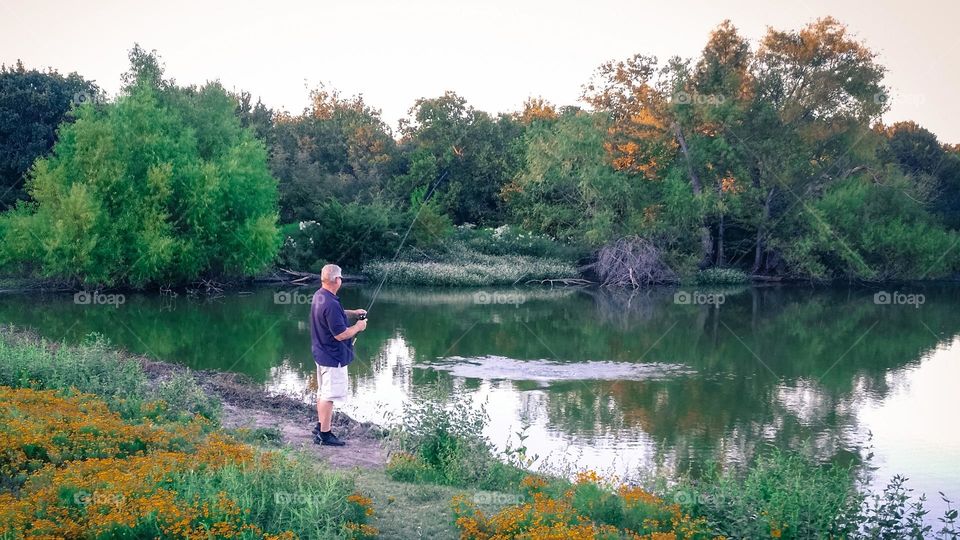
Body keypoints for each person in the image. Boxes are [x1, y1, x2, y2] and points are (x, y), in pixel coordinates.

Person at [310, 264, 367, 446]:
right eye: (341, 277)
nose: (341, 280)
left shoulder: (320, 295)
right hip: (333, 358)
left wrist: (353, 313)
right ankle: (325, 435)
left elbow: (335, 315)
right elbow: (340, 334)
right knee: (329, 396)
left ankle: (320, 427)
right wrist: (358, 326)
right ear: (336, 280)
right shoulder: (331, 302)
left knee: (323, 393)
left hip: (322, 354)